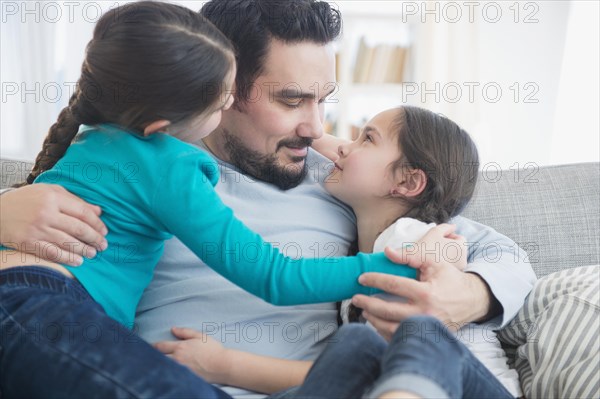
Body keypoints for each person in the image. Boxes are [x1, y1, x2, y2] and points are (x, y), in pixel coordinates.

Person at [0, 0, 536, 397]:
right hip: (162, 374)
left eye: (324, 100)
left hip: (320, 383)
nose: (315, 126)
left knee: (383, 348)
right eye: (292, 100)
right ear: (224, 89)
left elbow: (502, 255)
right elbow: (42, 261)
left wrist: (466, 296)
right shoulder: (162, 169)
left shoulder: (340, 176)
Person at [154, 107, 521, 398]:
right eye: (293, 100)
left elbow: (377, 365)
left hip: (468, 386)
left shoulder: (414, 246)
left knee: (411, 335)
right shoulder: (372, 240)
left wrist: (224, 365)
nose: (343, 145)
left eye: (367, 139)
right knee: (355, 342)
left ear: (408, 182)